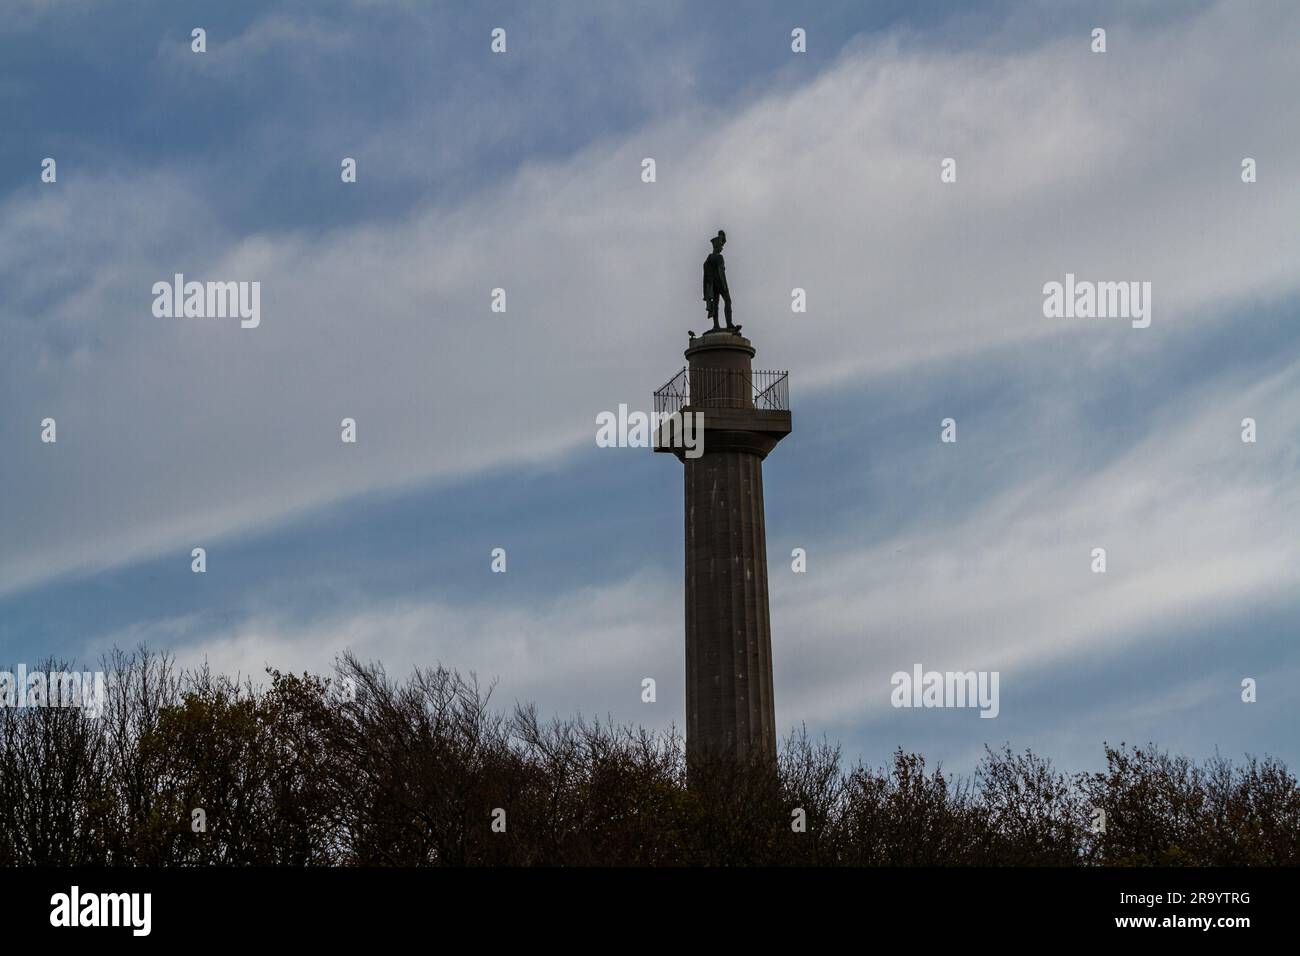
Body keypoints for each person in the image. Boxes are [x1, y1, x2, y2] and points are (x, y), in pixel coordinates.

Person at [702, 230, 739, 333]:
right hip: (720, 284)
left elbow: (707, 271)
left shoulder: (709, 259)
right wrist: (725, 286)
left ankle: (716, 325)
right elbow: (721, 273)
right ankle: (729, 324)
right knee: (727, 301)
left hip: (712, 284)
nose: (722, 248)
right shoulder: (718, 257)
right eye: (721, 245)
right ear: (717, 246)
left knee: (716, 304)